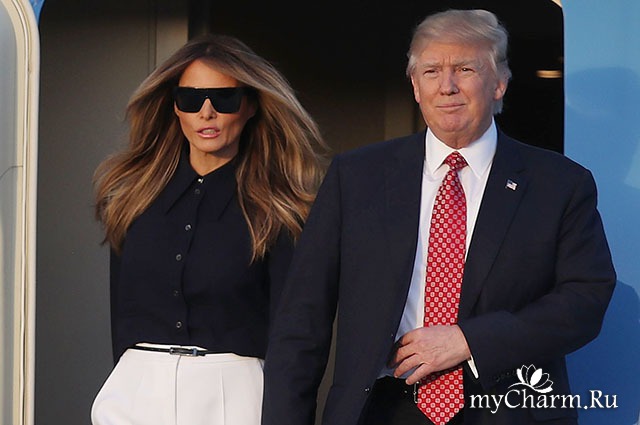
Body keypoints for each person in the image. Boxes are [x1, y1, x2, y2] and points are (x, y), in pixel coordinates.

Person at [262, 9, 616, 425]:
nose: (447, 86)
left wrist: (469, 341)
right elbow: (302, 319)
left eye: (465, 69)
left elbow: (585, 301)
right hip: (383, 410)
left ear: (499, 83)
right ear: (415, 86)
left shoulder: (558, 184)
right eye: (431, 71)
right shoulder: (356, 177)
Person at [90, 34, 328, 425]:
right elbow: (122, 320)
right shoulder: (131, 200)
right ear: (174, 106)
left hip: (234, 397)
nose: (206, 112)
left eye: (224, 98)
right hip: (135, 392)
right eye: (190, 98)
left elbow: (295, 339)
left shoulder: (280, 213)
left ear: (250, 105)